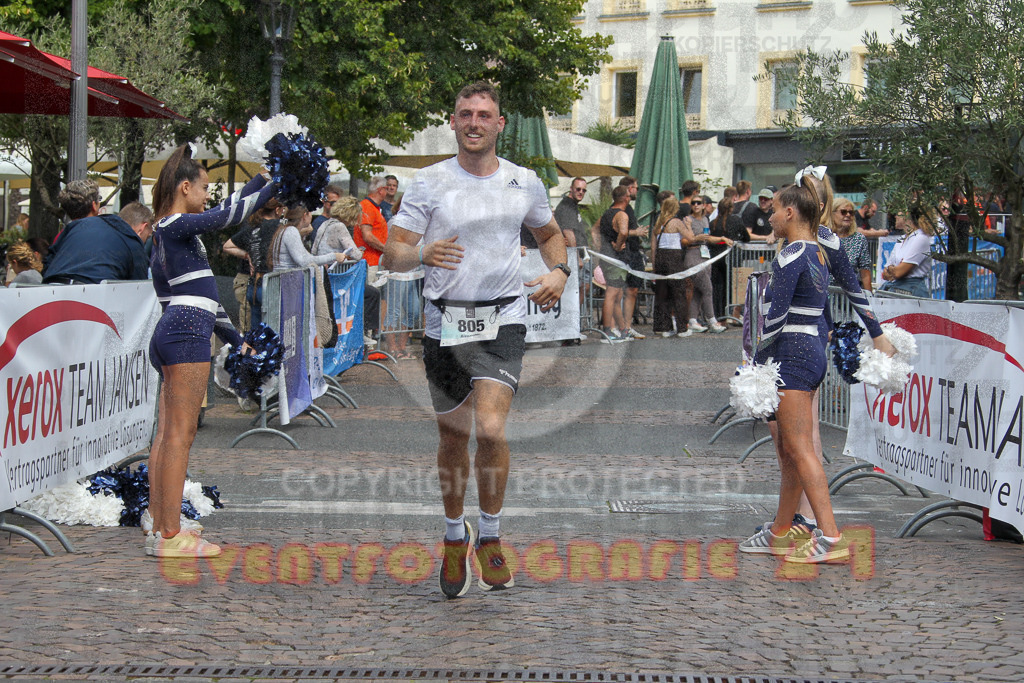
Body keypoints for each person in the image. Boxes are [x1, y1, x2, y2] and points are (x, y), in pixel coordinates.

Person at [383, 81, 569, 598]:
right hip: (444, 322)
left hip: (503, 320)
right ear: (453, 121)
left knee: (490, 429)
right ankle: (451, 536)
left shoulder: (523, 181)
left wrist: (559, 273)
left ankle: (489, 534)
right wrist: (421, 255)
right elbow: (391, 256)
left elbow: (551, 235)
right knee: (452, 436)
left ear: (499, 123)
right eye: (465, 113)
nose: (474, 122)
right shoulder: (428, 183)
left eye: (484, 114)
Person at [739, 173, 893, 564]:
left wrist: (755, 363)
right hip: (805, 353)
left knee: (800, 448)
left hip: (793, 353)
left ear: (795, 209)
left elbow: (776, 316)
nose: (769, 217)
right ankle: (779, 531)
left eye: (774, 210)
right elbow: (841, 292)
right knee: (790, 449)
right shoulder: (814, 247)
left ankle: (830, 535)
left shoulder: (799, 252)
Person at [146, 144, 277, 558]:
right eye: (204, 190)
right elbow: (231, 215)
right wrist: (275, 182)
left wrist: (238, 341)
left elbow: (204, 296)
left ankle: (160, 523)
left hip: (177, 328)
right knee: (180, 436)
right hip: (184, 334)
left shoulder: (168, 230)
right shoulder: (174, 226)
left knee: (168, 434)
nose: (208, 198)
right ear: (185, 187)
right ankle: (169, 535)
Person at [42, 179, 149, 284]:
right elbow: (138, 284)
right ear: (94, 205)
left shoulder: (64, 236)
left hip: (55, 291)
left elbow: (47, 267)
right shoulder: (120, 231)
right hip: (96, 294)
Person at [312, 196, 383, 346]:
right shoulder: (339, 227)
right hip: (334, 277)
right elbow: (356, 254)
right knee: (371, 294)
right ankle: (363, 331)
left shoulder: (324, 224)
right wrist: (360, 252)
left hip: (322, 274)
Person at [679, 196, 728, 334]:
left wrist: (723, 239)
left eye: (698, 203)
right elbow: (683, 241)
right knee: (707, 288)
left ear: (704, 205)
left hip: (705, 256)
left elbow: (708, 238)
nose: (695, 205)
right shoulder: (687, 220)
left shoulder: (706, 219)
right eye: (693, 203)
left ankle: (693, 320)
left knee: (699, 291)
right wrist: (695, 238)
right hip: (693, 254)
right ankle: (712, 320)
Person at [593, 185, 632, 342]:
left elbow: (594, 230)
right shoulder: (622, 215)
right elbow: (623, 232)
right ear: (624, 198)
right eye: (629, 195)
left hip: (606, 257)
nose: (630, 198)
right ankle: (607, 331)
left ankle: (623, 329)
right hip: (616, 258)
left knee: (617, 294)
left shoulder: (607, 214)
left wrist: (600, 247)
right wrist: (617, 245)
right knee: (611, 293)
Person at [650, 197, 692, 337]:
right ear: (675, 208)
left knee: (662, 293)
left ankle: (663, 327)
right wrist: (689, 225)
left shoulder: (658, 223)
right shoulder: (676, 222)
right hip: (674, 257)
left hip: (660, 257)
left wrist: (655, 263)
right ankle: (682, 328)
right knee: (678, 292)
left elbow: (653, 247)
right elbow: (690, 237)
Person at [269, 206, 348, 271]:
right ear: (304, 216)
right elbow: (304, 260)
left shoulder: (285, 230)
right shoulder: (291, 231)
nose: (311, 215)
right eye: (310, 212)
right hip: (288, 282)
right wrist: (333, 256)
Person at [709, 196, 749, 321]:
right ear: (731, 208)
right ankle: (731, 314)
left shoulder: (712, 223)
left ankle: (719, 317)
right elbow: (746, 237)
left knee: (718, 288)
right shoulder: (736, 220)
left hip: (716, 259)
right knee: (730, 288)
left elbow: (710, 241)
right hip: (732, 259)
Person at [880, 208, 934, 298]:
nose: (896, 216)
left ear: (906, 215)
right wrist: (892, 269)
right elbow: (885, 273)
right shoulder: (901, 239)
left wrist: (892, 269)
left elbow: (898, 272)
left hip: (911, 291)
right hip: (897, 288)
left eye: (898, 212)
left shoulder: (921, 237)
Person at [618, 176, 648, 340]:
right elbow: (618, 230)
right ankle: (619, 327)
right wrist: (636, 232)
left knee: (633, 291)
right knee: (620, 291)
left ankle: (627, 326)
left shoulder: (629, 208)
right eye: (635, 187)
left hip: (635, 253)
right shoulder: (620, 209)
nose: (637, 190)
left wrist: (639, 232)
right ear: (629, 189)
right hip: (626, 254)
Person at [832, 197, 872, 291]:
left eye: (851, 212)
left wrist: (870, 299)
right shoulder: (823, 237)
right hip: (824, 297)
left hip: (849, 297)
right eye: (843, 212)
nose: (848, 215)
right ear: (832, 214)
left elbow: (865, 272)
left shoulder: (859, 239)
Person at [356, 176, 389, 277]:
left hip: (374, 263)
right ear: (380, 190)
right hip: (370, 263)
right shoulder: (367, 206)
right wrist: (386, 249)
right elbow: (367, 236)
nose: (387, 191)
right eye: (386, 188)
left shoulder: (373, 207)